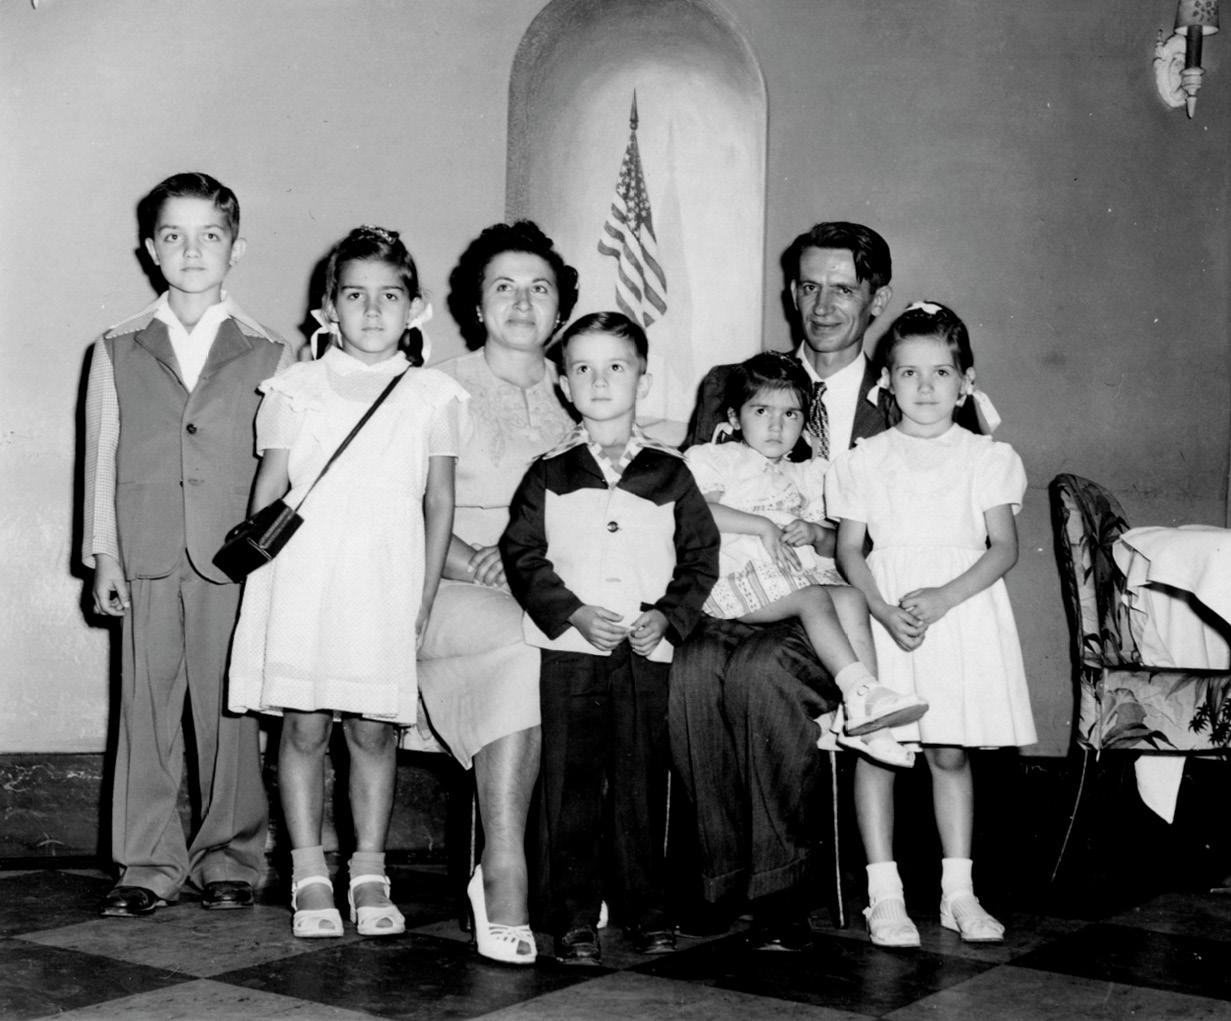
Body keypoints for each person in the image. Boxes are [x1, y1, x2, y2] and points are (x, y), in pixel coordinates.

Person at [228, 226, 464, 938]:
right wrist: (260, 585)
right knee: (301, 725)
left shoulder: (433, 394)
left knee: (372, 730)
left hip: (384, 580)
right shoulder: (294, 388)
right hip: (304, 578)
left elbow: (440, 501)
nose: (372, 310)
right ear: (328, 306)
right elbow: (269, 489)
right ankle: (308, 872)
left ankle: (368, 872)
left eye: (389, 295)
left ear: (414, 307)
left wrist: (423, 595)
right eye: (354, 295)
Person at [669, 221, 895, 949]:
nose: (822, 305)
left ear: (875, 298)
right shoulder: (733, 385)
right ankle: (715, 876)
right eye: (808, 286)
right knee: (693, 666)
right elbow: (691, 502)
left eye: (843, 288)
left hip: (824, 602)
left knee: (764, 673)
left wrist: (821, 539)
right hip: (728, 589)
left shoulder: (902, 395)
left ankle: (779, 884)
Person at [82, 172, 291, 917]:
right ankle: (146, 861)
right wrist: (103, 553)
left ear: (237, 247)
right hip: (146, 550)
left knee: (230, 711)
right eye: (174, 235)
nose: (192, 250)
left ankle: (230, 855)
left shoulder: (273, 351)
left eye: (210, 235)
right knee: (144, 706)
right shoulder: (117, 346)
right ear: (151, 248)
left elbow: (284, 464)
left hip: (232, 558)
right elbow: (102, 452)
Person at [500, 312, 719, 965]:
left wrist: (668, 617)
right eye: (584, 368)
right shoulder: (548, 472)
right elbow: (523, 556)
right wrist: (570, 612)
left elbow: (700, 558)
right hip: (571, 656)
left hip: (646, 655)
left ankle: (646, 907)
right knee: (570, 783)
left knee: (640, 783)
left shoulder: (670, 472)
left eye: (616, 367)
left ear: (642, 381)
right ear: (564, 385)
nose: (599, 381)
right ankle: (572, 914)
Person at [828, 300, 1036, 948]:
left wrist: (944, 598)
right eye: (909, 372)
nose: (924, 386)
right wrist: (881, 609)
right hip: (884, 611)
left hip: (959, 610)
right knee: (880, 748)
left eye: (940, 372)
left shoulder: (987, 456)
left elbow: (1002, 547)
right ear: (886, 382)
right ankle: (884, 895)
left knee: (949, 751)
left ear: (965, 382)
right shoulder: (864, 458)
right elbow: (849, 550)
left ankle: (957, 892)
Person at [415, 220, 579, 965]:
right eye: (504, 287)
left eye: (539, 288)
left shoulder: (581, 388)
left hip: (551, 588)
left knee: (566, 639)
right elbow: (400, 504)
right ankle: (504, 867)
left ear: (559, 308)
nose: (522, 302)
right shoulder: (435, 388)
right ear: (476, 305)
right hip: (451, 581)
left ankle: (574, 866)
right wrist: (466, 558)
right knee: (526, 646)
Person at [684, 352, 925, 769]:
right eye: (761, 411)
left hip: (790, 583)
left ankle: (866, 718)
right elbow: (699, 513)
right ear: (735, 417)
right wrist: (762, 525)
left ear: (805, 422)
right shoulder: (718, 460)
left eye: (791, 414)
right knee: (814, 597)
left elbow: (836, 546)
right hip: (736, 585)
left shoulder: (810, 474)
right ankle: (858, 691)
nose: (776, 426)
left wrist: (815, 533)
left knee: (850, 597)